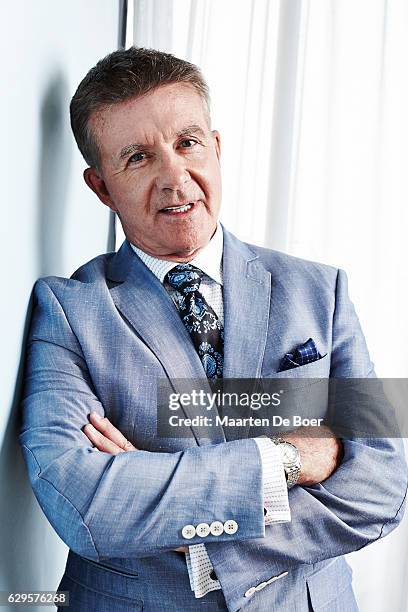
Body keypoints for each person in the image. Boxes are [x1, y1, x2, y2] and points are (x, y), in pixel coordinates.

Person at [20, 47, 406, 612]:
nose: (175, 177)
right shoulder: (69, 309)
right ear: (101, 187)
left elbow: (382, 483)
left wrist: (203, 547)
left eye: (188, 142)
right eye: (138, 157)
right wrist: (285, 461)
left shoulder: (323, 292)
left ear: (217, 147)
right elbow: (83, 500)